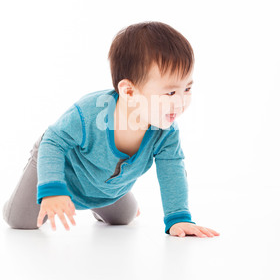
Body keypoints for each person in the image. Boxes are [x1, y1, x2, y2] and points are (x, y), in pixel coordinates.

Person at [3, 21, 219, 238]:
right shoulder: (91, 113)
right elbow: (54, 142)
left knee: (123, 219)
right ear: (129, 91)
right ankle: (53, 196)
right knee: (20, 221)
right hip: (61, 170)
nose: (181, 102)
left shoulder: (166, 131)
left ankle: (101, 206)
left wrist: (178, 217)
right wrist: (52, 190)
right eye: (170, 93)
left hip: (104, 189)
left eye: (187, 88)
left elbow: (172, 169)